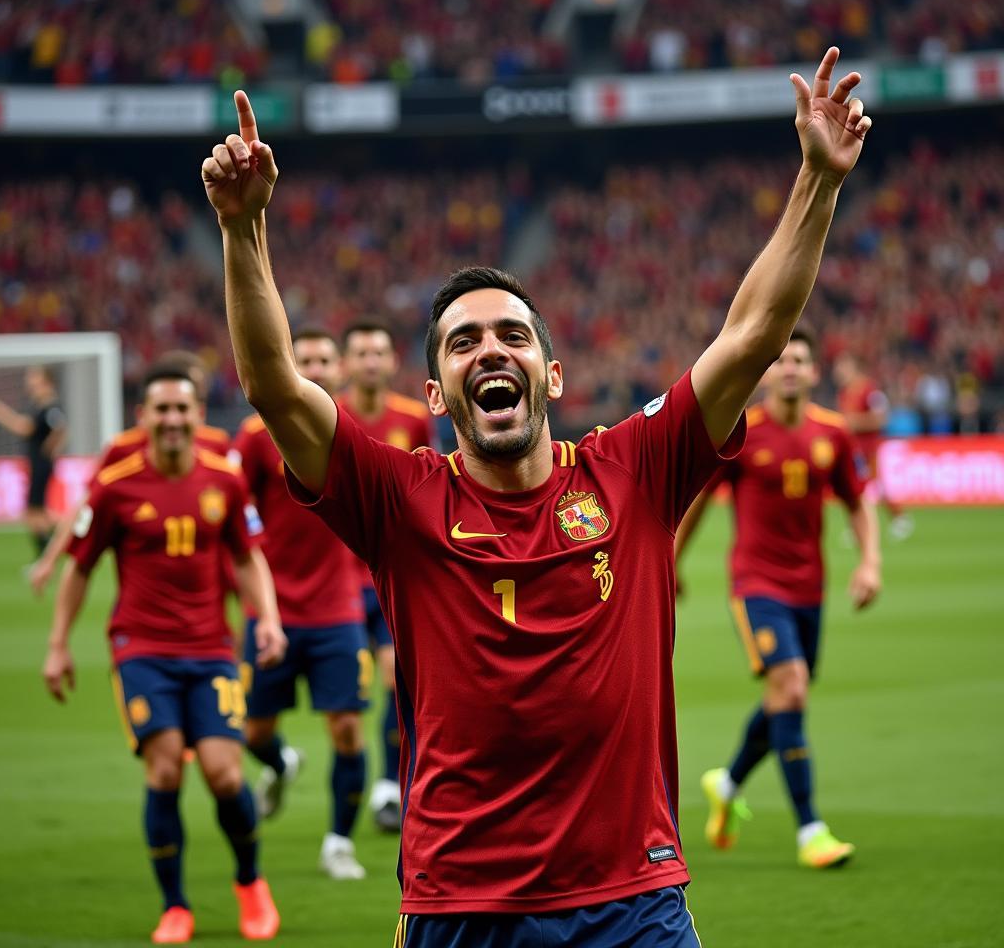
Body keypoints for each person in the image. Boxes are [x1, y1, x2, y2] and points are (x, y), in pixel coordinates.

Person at [202, 47, 872, 945]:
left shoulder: (633, 470)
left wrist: (818, 185)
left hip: (634, 904)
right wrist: (243, 230)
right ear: (436, 394)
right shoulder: (398, 500)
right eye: (462, 341)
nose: (490, 350)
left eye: (511, 334)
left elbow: (752, 334)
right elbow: (275, 386)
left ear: (550, 373)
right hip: (458, 909)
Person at [42, 363, 286, 944]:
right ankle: (175, 906)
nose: (173, 419)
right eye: (162, 409)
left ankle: (251, 883)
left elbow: (249, 557)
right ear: (143, 416)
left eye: (183, 409)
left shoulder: (223, 481)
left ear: (199, 415)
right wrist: (57, 645)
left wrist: (269, 619)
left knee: (227, 776)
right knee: (166, 766)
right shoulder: (115, 485)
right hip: (141, 648)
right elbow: (79, 568)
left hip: (210, 648)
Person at [675, 329, 881, 869]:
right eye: (781, 360)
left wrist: (870, 562)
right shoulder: (744, 433)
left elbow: (858, 503)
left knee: (783, 697)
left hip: (809, 587)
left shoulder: (833, 434)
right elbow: (697, 501)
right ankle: (811, 828)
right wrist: (668, 559)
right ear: (767, 373)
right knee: (791, 688)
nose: (790, 368)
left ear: (815, 373)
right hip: (755, 584)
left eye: (801, 361)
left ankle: (728, 781)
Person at [232, 326, 372, 880]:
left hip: (338, 609)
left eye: (323, 358)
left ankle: (338, 841)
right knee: (254, 734)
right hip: (273, 613)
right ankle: (282, 762)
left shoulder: (355, 435)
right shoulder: (251, 436)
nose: (313, 366)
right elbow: (231, 523)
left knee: (347, 730)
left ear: (339, 370)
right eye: (303, 358)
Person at [338, 317, 437, 832]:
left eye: (380, 352)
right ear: (345, 363)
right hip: (336, 584)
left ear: (392, 361)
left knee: (395, 682)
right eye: (362, 352)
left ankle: (385, 785)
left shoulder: (413, 418)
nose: (372, 361)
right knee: (350, 701)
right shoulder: (331, 419)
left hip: (392, 579)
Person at [29, 351, 230, 595]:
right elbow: (84, 505)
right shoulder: (122, 448)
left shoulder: (217, 444)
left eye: (197, 394)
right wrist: (50, 558)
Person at [0, 365, 67, 557]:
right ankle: (56, 544)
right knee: (37, 512)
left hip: (41, 464)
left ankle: (55, 546)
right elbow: (60, 429)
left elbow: (28, 428)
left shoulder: (49, 405)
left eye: (34, 379)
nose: (30, 384)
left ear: (46, 382)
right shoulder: (41, 405)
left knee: (34, 513)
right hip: (39, 463)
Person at [833, 351, 913, 539]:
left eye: (842, 366)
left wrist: (855, 422)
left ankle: (899, 517)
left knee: (872, 485)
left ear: (853, 367)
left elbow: (881, 418)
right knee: (856, 486)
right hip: (852, 449)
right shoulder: (845, 393)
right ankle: (860, 525)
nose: (839, 371)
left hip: (868, 449)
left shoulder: (870, 390)